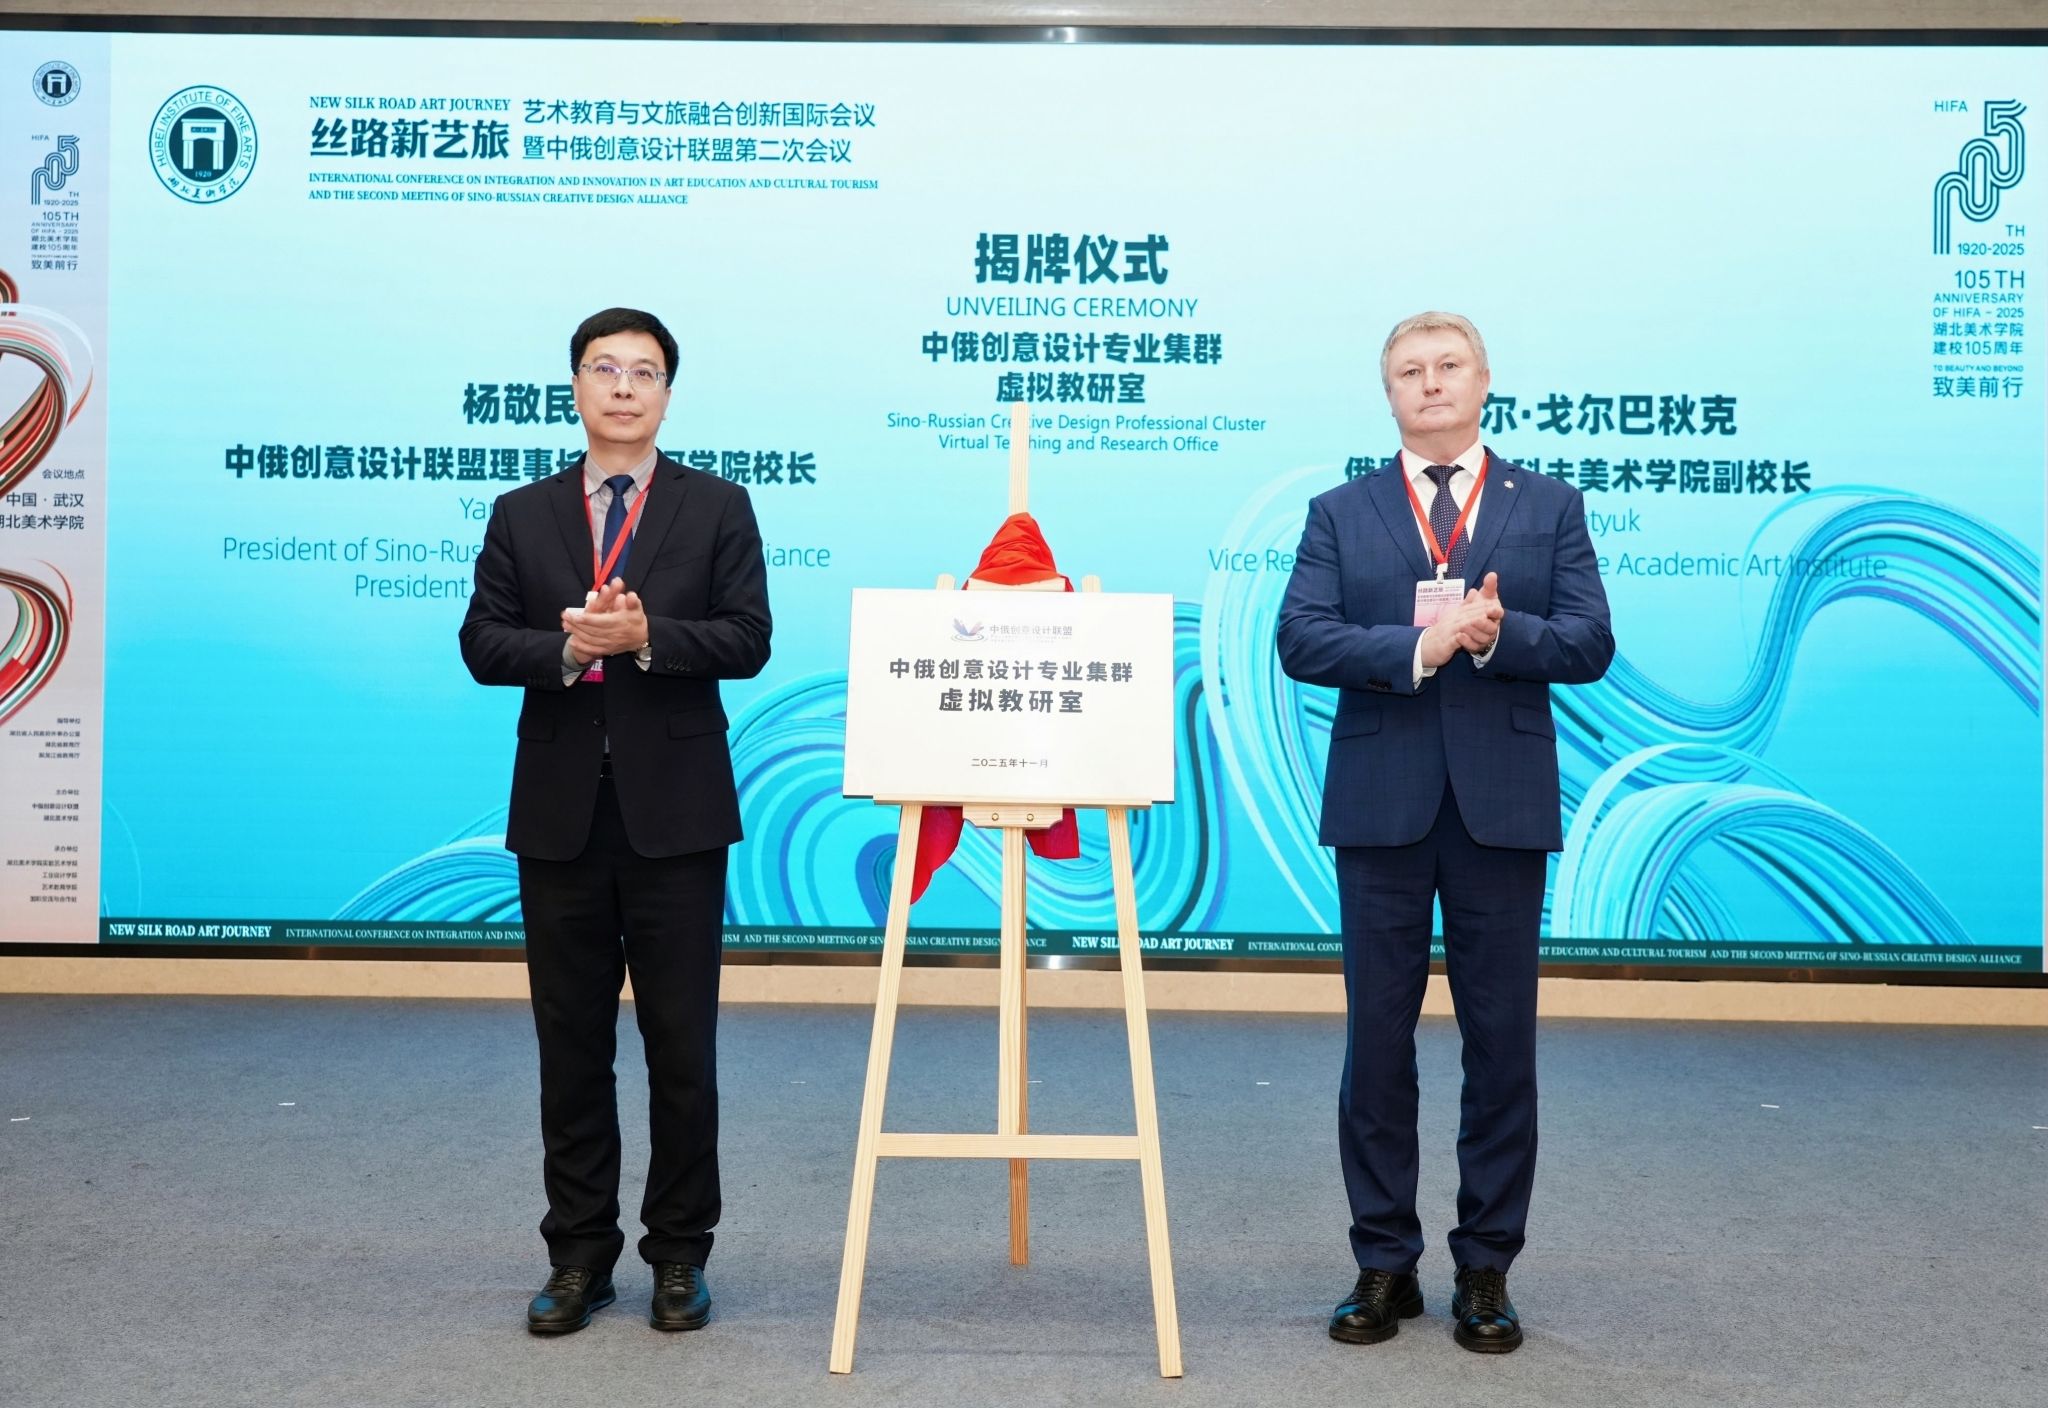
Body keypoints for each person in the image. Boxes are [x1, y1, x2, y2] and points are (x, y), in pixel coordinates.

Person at [1277, 311, 1613, 1353]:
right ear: (1388, 394)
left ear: (1483, 380)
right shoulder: (1341, 512)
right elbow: (1301, 638)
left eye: (1448, 366)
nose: (1430, 383)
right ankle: (1382, 1263)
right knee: (1375, 1046)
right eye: (1409, 371)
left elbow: (1590, 642)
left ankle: (1484, 1269)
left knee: (1500, 1046)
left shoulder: (1547, 505)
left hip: (1500, 809)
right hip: (1380, 807)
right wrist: (1421, 646)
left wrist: (1498, 634)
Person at [459, 306, 771, 1334]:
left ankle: (680, 1254)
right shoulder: (522, 513)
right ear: (577, 388)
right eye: (605, 369)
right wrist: (564, 650)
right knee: (570, 1045)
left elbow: (748, 637)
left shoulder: (717, 506)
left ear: (667, 395)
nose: (624, 387)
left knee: (682, 1046)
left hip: (676, 816)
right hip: (560, 816)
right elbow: (481, 642)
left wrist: (645, 637)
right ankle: (578, 1256)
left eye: (644, 371)